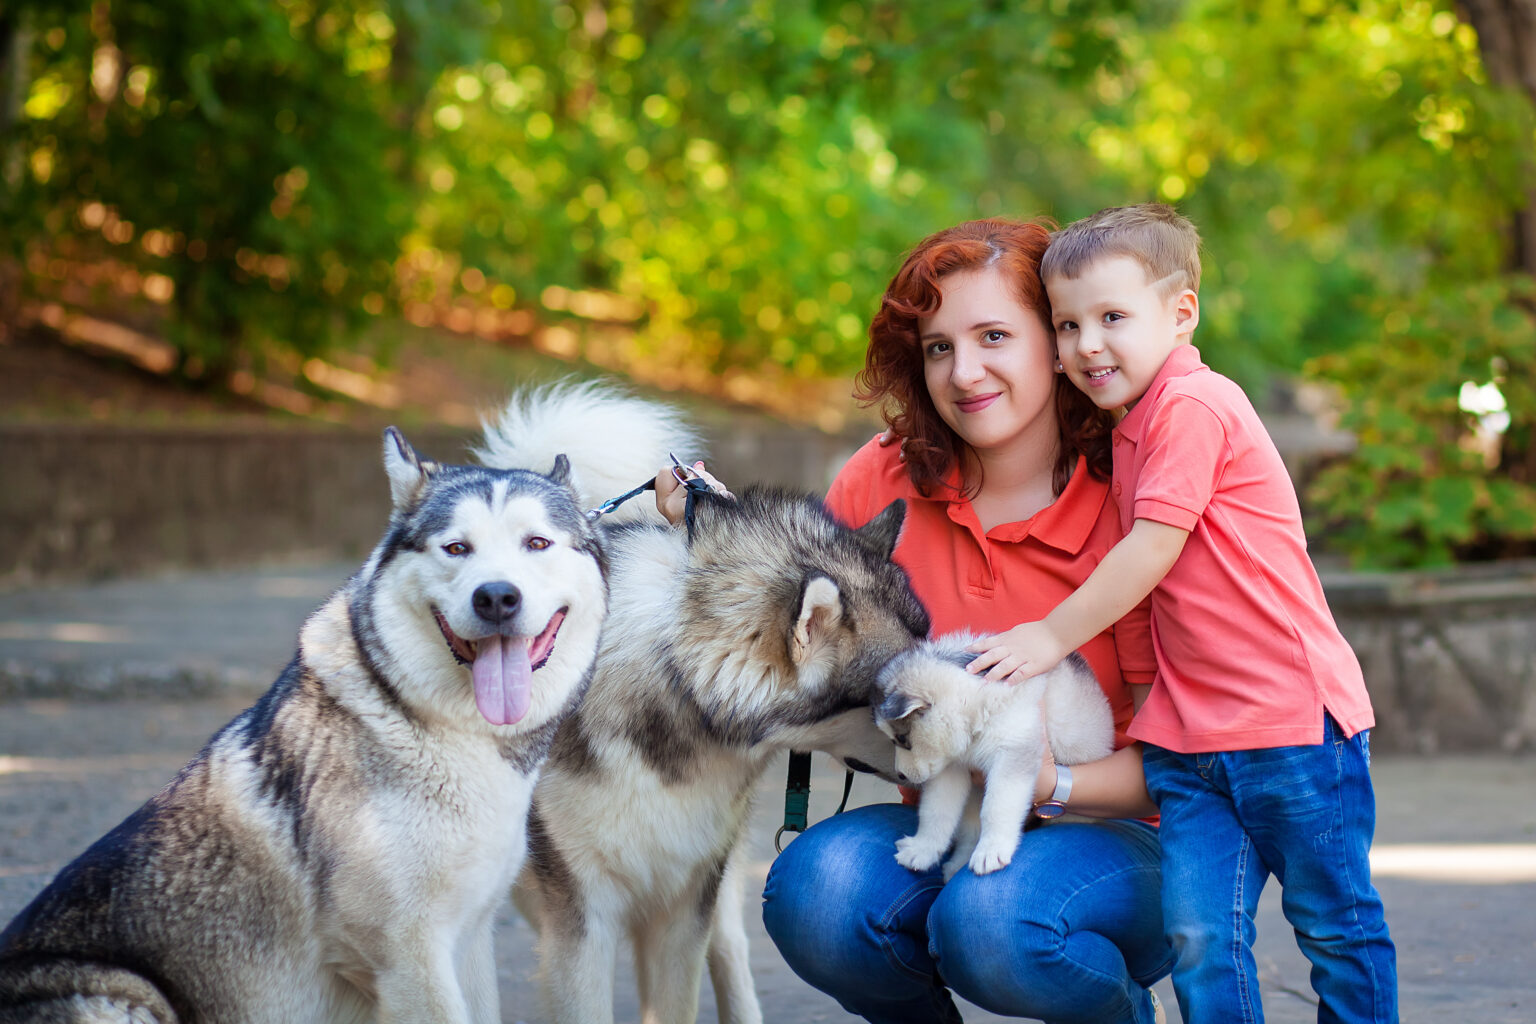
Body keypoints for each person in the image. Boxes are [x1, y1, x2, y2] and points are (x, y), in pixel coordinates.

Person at [660, 218, 1173, 1024]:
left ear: (1058, 340)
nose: (964, 372)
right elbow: (799, 625)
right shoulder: (883, 477)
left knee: (992, 919)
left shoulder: (1144, 502)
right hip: (941, 817)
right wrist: (710, 526)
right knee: (819, 895)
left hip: (1118, 838)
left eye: (995, 336)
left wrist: (1045, 781)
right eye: (938, 347)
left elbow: (1194, 766)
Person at [972, 203, 1398, 1023]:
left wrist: (1049, 636)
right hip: (1191, 744)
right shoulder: (1129, 434)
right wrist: (1145, 707)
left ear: (1182, 313)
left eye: (1112, 318)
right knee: (1200, 936)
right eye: (1066, 325)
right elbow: (1144, 606)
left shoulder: (1196, 406)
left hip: (1290, 728)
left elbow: (1151, 552)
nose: (1086, 344)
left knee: (1335, 925)